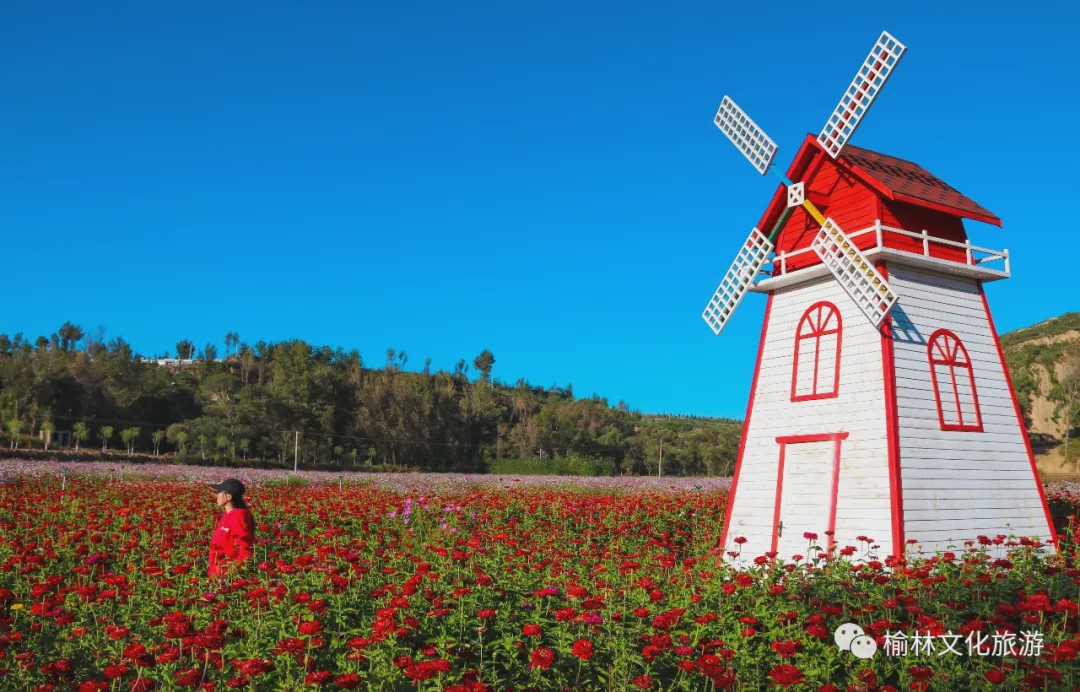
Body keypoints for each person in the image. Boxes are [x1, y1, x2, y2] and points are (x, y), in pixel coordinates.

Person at [208, 478, 255, 579]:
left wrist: (230, 573)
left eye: (219, 492)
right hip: (217, 574)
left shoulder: (238, 517)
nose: (216, 495)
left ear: (228, 496)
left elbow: (245, 550)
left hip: (227, 577)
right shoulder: (226, 516)